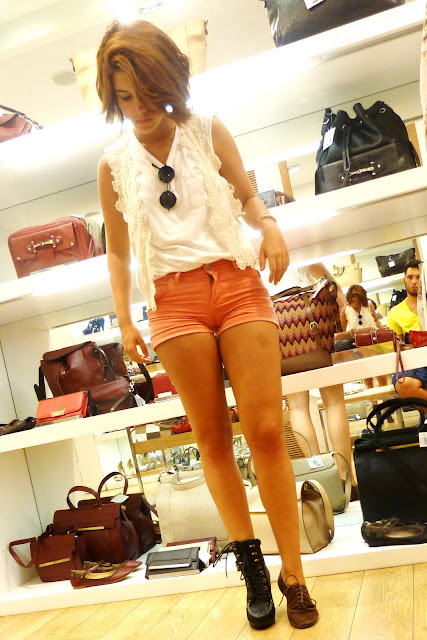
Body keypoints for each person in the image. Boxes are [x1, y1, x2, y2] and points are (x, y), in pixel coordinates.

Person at [96, 20, 318, 630]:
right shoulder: (114, 163)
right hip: (174, 303)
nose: (139, 108)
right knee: (213, 439)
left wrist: (269, 225)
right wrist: (124, 317)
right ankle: (252, 569)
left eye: (147, 92)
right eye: (125, 97)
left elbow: (246, 195)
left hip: (238, 284)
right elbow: (118, 251)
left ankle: (295, 572)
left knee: (267, 431)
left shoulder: (204, 128)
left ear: (167, 79)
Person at [280, 263, 359, 499]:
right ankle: (345, 478)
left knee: (297, 407)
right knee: (334, 401)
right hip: (312, 313)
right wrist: (334, 283)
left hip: (280, 321)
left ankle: (320, 479)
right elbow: (311, 263)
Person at [387, 259, 427, 402]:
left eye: (418, 277)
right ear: (404, 279)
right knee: (403, 384)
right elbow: (397, 346)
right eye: (410, 277)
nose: (415, 281)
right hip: (414, 361)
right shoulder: (395, 313)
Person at [341, 284, 390, 396]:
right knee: (367, 376)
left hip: (373, 341)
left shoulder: (369, 305)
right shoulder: (346, 310)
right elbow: (342, 330)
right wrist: (351, 333)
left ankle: (386, 401)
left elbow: (376, 320)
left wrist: (383, 330)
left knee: (381, 374)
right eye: (353, 301)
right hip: (359, 345)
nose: (356, 304)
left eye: (358, 301)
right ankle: (374, 403)